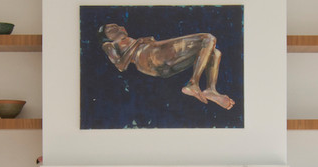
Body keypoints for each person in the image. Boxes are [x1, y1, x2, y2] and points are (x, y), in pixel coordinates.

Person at [98, 23, 235, 110]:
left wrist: (144, 41)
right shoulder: (108, 45)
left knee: (214, 52)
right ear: (107, 37)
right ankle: (193, 83)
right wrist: (138, 42)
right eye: (111, 29)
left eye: (116, 26)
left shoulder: (127, 39)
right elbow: (120, 65)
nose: (116, 28)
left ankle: (210, 89)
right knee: (208, 38)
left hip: (159, 63)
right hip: (148, 55)